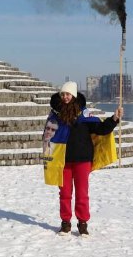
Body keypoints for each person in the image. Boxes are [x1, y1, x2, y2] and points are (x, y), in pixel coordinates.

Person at [48, 82, 123, 236]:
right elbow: (48, 137)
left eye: (68, 94)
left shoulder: (85, 115)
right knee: (65, 194)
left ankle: (83, 223)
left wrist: (114, 118)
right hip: (63, 160)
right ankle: (65, 223)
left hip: (83, 160)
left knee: (82, 193)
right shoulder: (55, 115)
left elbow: (101, 129)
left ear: (74, 95)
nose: (65, 97)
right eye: (63, 94)